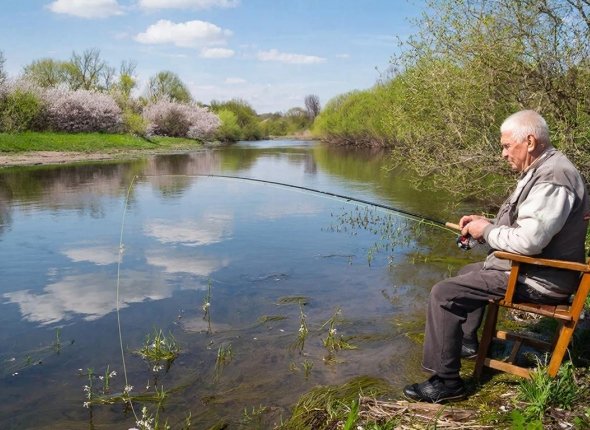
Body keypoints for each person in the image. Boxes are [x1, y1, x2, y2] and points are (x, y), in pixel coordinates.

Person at [403, 110, 589, 403]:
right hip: (531, 270)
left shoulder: (553, 178)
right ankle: (466, 344)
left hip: (540, 279)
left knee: (443, 294)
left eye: (506, 146)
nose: (503, 153)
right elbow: (526, 226)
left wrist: (487, 231)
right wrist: (484, 223)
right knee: (467, 273)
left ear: (530, 142)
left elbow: (529, 242)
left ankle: (446, 383)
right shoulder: (543, 169)